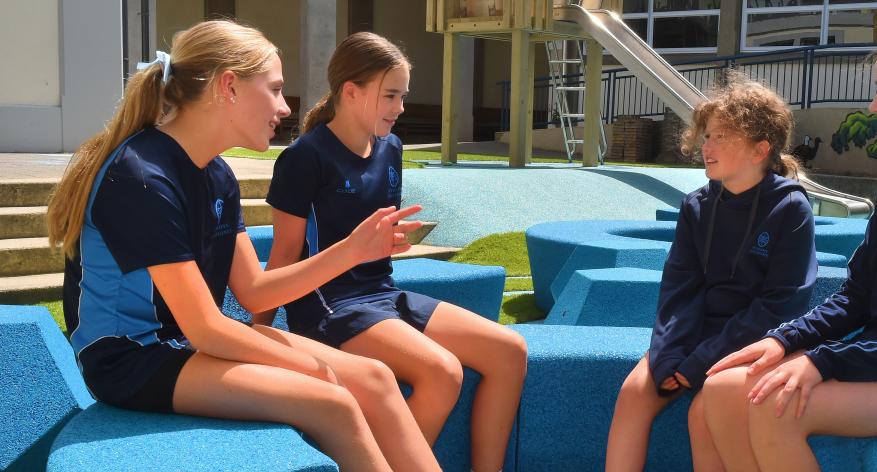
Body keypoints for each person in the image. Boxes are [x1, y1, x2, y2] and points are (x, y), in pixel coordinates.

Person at [46, 20, 441, 472]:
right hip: (132, 358)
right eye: (274, 90)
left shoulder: (217, 176)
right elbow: (205, 329)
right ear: (228, 87)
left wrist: (352, 250)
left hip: (187, 342)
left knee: (375, 379)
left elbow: (253, 291)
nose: (285, 109)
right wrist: (308, 366)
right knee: (333, 401)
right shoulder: (140, 179)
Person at [699, 18, 877, 472]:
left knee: (774, 406)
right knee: (717, 394)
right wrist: (784, 341)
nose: (874, 105)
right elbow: (856, 296)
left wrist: (821, 361)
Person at [260, 32, 527, 472]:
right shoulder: (304, 157)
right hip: (329, 306)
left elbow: (372, 235)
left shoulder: (391, 148)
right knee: (442, 372)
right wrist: (261, 337)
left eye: (402, 96)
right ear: (351, 91)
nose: (400, 108)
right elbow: (284, 255)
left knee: (510, 350)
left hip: (382, 294)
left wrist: (392, 241)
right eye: (390, 96)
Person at [604, 75, 817, 471]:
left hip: (754, 341)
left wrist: (700, 362)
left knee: (703, 413)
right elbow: (679, 289)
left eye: (721, 136)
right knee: (635, 392)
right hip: (697, 336)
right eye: (706, 136)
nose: (707, 146)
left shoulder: (790, 209)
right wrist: (671, 358)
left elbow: (779, 305)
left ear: (760, 150)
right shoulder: (696, 205)